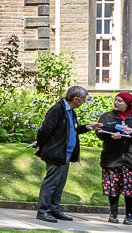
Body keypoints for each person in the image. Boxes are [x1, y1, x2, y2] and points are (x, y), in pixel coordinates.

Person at [33, 85, 102, 223]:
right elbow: (45, 130)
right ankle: (43, 211)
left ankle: (54, 209)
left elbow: (70, 130)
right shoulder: (57, 109)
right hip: (56, 153)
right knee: (51, 183)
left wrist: (86, 128)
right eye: (83, 99)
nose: (84, 102)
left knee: (59, 184)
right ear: (76, 99)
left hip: (66, 154)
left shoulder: (70, 111)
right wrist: (40, 143)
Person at [96, 91, 132, 225]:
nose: (116, 103)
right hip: (112, 158)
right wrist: (110, 136)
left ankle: (129, 215)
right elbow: (99, 132)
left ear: (128, 104)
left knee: (130, 189)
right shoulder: (106, 116)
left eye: (120, 101)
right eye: (115, 100)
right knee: (112, 188)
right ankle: (113, 214)